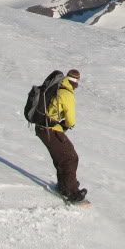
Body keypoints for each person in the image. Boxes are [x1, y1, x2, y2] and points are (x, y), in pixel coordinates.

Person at [35, 68, 86, 202]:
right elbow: (71, 121)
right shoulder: (67, 94)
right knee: (70, 157)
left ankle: (65, 185)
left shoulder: (58, 87)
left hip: (44, 127)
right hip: (48, 129)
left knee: (63, 156)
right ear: (75, 82)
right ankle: (71, 192)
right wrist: (66, 125)